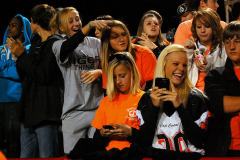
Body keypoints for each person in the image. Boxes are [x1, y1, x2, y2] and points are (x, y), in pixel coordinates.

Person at [50, 7, 111, 154]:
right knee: (72, 156)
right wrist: (89, 25)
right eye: (70, 21)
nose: (76, 23)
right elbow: (69, 46)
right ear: (61, 27)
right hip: (73, 113)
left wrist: (100, 71)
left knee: (97, 155)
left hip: (97, 110)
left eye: (77, 19)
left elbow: (111, 69)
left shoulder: (96, 43)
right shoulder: (58, 45)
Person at [7, 4, 64, 158]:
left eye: (31, 22)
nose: (29, 25)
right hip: (28, 113)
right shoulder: (35, 45)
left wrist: (23, 56)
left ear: (35, 21)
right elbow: (26, 76)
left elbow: (43, 75)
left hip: (46, 113)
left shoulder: (56, 43)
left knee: (47, 156)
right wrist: (18, 57)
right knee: (26, 156)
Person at [67, 52, 145, 160]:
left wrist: (130, 132)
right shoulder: (106, 101)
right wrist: (102, 133)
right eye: (114, 77)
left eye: (122, 76)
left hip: (132, 153)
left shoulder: (144, 99)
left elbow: (149, 137)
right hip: (106, 153)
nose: (118, 81)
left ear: (132, 71)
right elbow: (97, 139)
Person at [204, 21, 240, 157]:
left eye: (237, 41)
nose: (231, 47)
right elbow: (218, 105)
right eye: (227, 42)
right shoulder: (215, 75)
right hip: (227, 147)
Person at [0, 14, 32, 158]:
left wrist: (4, 68)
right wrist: (11, 66)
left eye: (14, 25)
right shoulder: (1, 49)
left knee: (14, 140)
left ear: (22, 28)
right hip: (1, 100)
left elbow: (21, 73)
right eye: (9, 24)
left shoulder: (29, 49)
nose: (9, 28)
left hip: (16, 100)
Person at [101, 20, 157, 91]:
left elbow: (152, 86)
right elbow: (109, 91)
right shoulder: (108, 60)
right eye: (115, 37)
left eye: (124, 34)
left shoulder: (144, 53)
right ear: (107, 42)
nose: (121, 39)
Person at [184, 8, 227, 91]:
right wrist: (188, 52)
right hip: (193, 94)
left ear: (214, 28)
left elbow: (223, 70)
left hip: (215, 92)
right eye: (199, 27)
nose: (202, 31)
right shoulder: (192, 46)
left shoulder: (223, 46)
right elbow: (183, 72)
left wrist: (206, 66)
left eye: (207, 26)